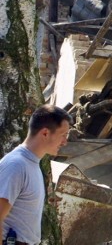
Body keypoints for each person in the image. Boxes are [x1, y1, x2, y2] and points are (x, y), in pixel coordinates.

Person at [1, 105, 72, 245]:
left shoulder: (31, 164)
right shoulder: (17, 165)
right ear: (45, 133)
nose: (65, 142)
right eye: (63, 135)